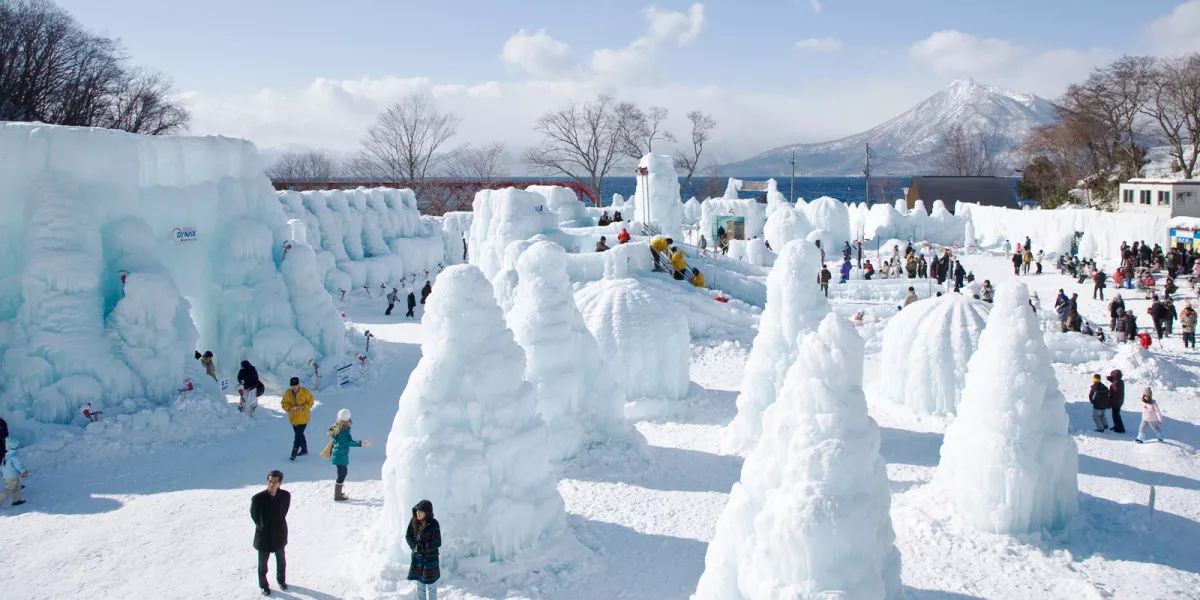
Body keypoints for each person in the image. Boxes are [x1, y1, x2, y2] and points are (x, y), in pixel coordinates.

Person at [251, 470, 290, 596]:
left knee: (281, 561)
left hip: (279, 534)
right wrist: (263, 526)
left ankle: (281, 581)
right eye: (269, 481)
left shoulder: (285, 495)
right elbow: (255, 517)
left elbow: (284, 512)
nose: (271, 484)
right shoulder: (258, 499)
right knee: (262, 564)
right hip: (264, 536)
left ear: (280, 483)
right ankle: (264, 585)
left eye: (274, 482)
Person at [328, 408, 370, 502]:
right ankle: (337, 495)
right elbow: (349, 442)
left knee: (342, 472)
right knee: (342, 474)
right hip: (341, 455)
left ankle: (338, 493)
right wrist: (361, 443)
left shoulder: (337, 426)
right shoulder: (344, 430)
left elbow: (330, 433)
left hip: (337, 453)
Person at [407, 499, 442, 600]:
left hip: (430, 561)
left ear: (427, 513)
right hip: (418, 560)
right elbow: (408, 536)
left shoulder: (434, 524)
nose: (417, 513)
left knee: (432, 588)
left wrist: (425, 547)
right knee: (420, 587)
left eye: (421, 512)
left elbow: (438, 542)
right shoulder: (413, 522)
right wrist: (414, 546)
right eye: (417, 511)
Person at [281, 377, 314, 461]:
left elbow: (311, 402)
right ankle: (304, 450)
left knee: (298, 435)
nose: (294, 387)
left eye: (295, 385)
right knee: (300, 435)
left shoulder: (305, 392)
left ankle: (294, 453)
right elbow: (284, 403)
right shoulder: (288, 393)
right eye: (292, 386)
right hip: (294, 419)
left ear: (299, 384)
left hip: (303, 418)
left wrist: (303, 407)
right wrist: (290, 408)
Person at [0, 438, 28, 506]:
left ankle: (16, 500)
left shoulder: (5, 456)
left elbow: (1, 466)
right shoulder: (13, 457)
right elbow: (18, 466)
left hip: (8, 476)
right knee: (9, 490)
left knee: (17, 487)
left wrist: (4, 473)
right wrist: (23, 471)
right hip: (12, 476)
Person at [1107, 370, 1126, 434]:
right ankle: (1117, 426)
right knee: (1115, 415)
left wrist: (1110, 403)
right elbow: (1114, 382)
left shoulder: (1116, 384)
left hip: (1116, 402)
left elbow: (1114, 394)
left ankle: (1120, 428)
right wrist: (1110, 379)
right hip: (1119, 402)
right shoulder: (1120, 381)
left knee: (1116, 415)